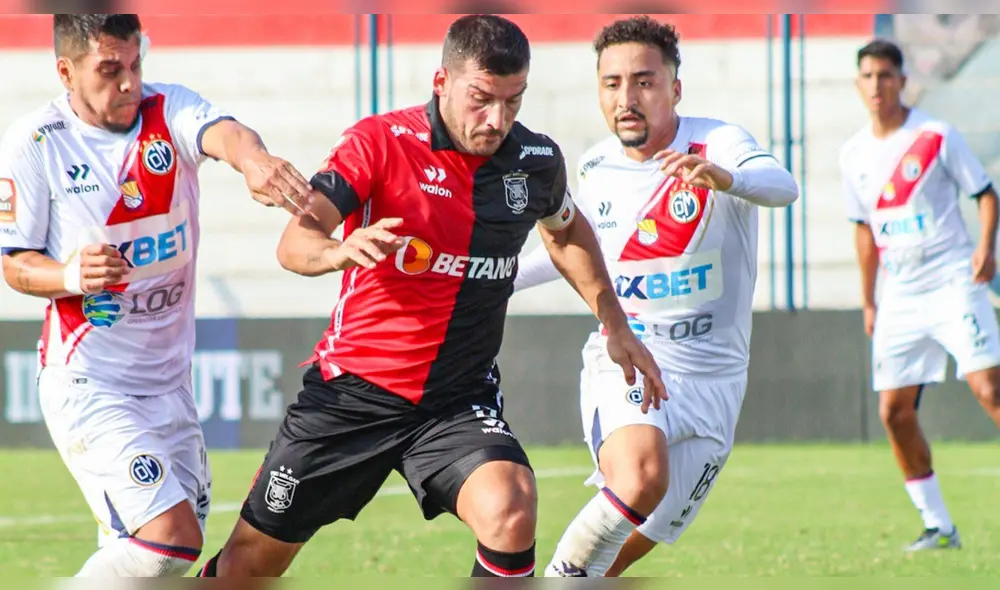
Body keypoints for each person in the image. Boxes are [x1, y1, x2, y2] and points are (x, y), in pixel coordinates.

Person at [195, 14, 666, 578]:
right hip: (352, 397)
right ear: (442, 81)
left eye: (513, 101)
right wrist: (336, 253)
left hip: (455, 402)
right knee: (247, 565)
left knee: (511, 506)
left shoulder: (535, 162)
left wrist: (614, 322)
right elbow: (297, 241)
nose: (497, 120)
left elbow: (566, 230)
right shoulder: (378, 143)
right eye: (482, 99)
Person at [0, 14, 317, 577]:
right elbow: (15, 266)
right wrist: (70, 275)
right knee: (169, 540)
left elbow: (228, 135)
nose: (129, 82)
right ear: (66, 72)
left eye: (136, 63)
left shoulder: (167, 110)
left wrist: (255, 161)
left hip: (170, 386)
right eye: (109, 69)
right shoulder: (37, 142)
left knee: (153, 562)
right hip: (89, 380)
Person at [512, 16, 799, 576]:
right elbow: (573, 250)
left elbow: (781, 186)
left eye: (644, 81)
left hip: (716, 382)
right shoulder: (595, 167)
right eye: (612, 83)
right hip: (632, 361)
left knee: (622, 551)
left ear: (675, 88)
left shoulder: (717, 142)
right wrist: (496, 279)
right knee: (639, 477)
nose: (627, 98)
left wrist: (725, 177)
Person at [840, 39, 1000, 551]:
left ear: (902, 80)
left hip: (954, 280)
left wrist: (985, 249)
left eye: (886, 75)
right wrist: (869, 299)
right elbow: (864, 231)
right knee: (893, 412)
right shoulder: (853, 154)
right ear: (858, 85)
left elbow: (984, 194)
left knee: (989, 390)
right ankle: (939, 527)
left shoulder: (934, 135)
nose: (876, 85)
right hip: (900, 295)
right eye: (867, 76)